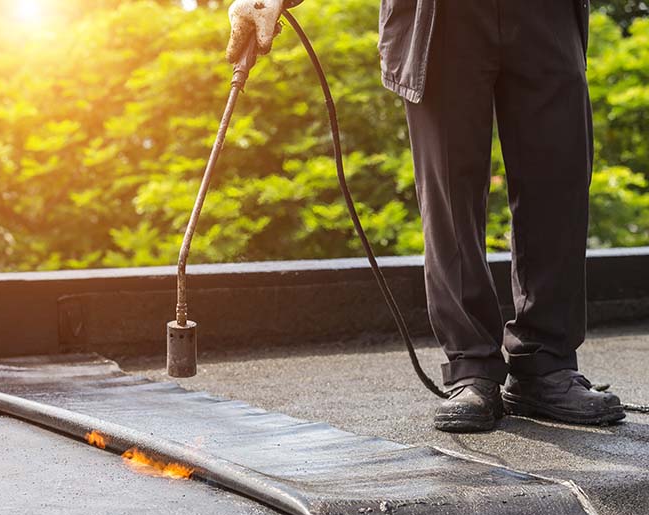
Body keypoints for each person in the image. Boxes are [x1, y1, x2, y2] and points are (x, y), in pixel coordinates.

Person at [226, 0, 626, 432]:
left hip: (544, 13)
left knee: (558, 181)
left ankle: (546, 365)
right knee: (448, 193)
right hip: (440, 15)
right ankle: (471, 367)